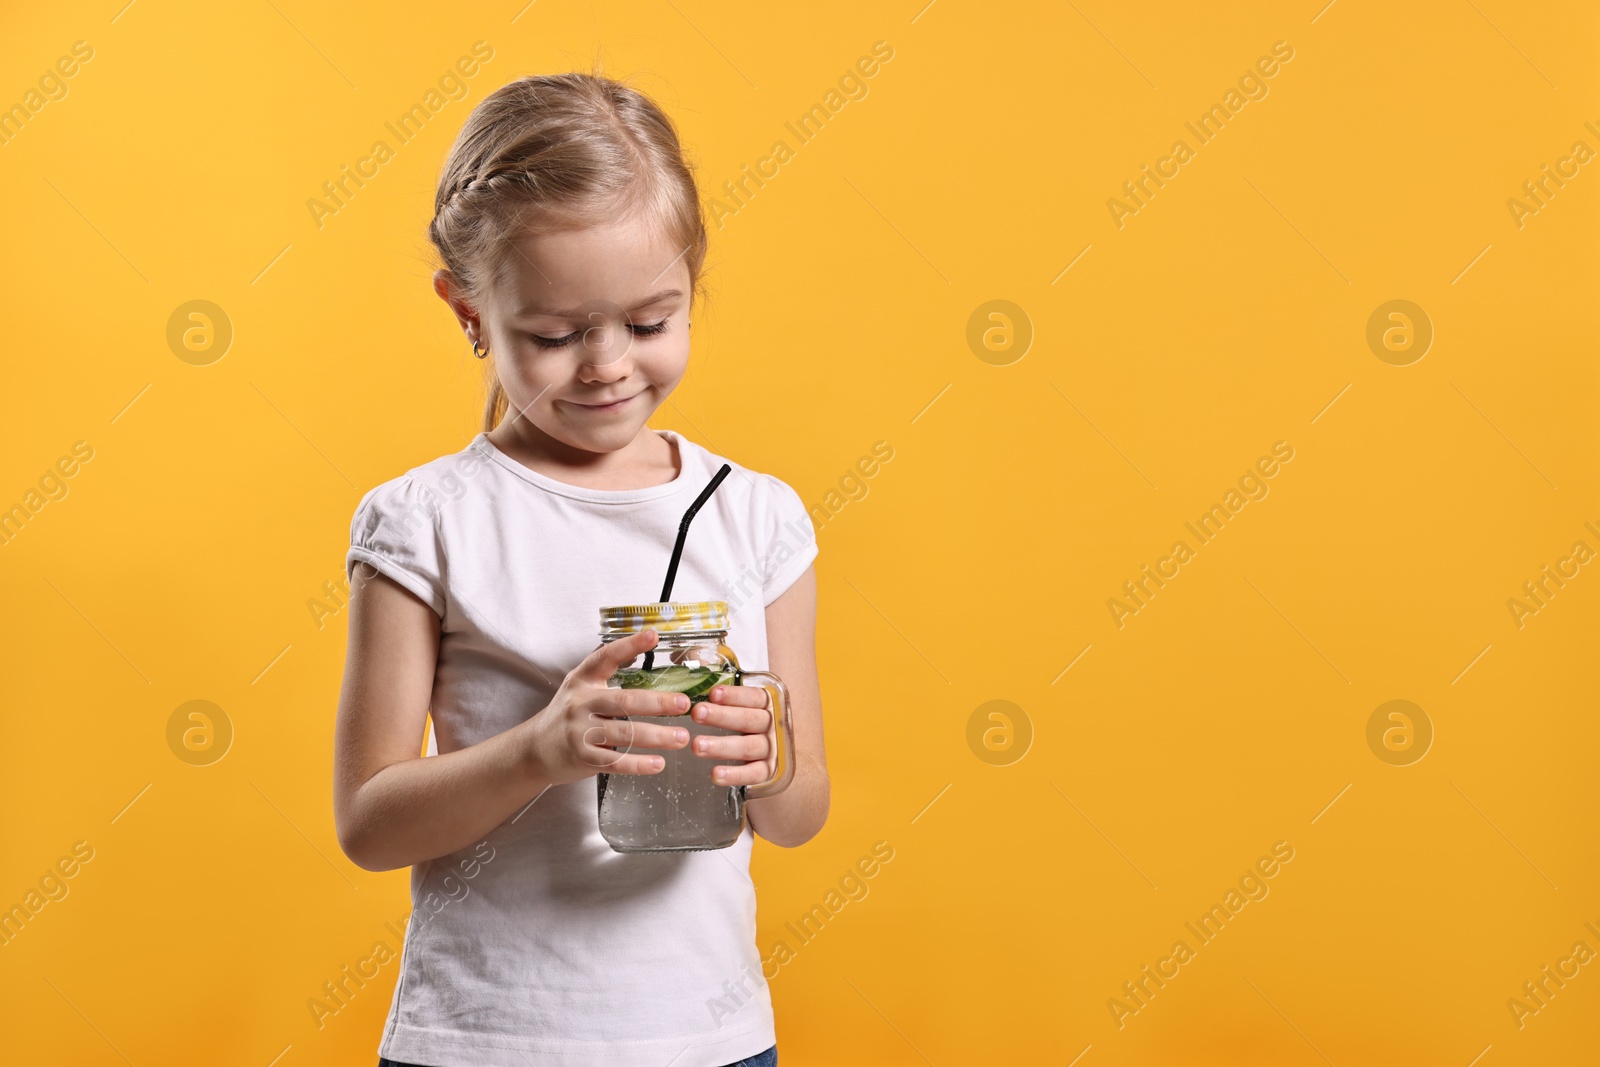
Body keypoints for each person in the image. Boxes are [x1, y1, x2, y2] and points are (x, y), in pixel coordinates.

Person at [332, 69, 827, 1067]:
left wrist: (762, 757)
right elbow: (370, 821)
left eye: (649, 323)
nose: (606, 365)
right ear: (466, 308)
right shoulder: (424, 521)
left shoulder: (756, 514)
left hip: (709, 1036)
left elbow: (800, 807)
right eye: (555, 335)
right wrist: (541, 748)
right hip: (480, 1039)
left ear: (691, 283)